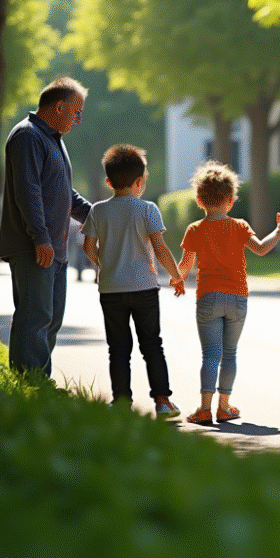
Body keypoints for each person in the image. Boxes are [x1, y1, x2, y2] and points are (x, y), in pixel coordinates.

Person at [176, 161, 280, 425]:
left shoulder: (195, 229)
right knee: (229, 354)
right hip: (237, 297)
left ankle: (204, 408)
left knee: (210, 355)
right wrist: (279, 231)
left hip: (208, 298)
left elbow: (185, 264)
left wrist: (178, 280)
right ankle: (224, 406)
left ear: (198, 199)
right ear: (230, 201)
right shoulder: (239, 226)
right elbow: (261, 248)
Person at [82, 145, 186, 419]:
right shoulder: (147, 209)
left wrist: (104, 264)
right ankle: (163, 401)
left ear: (108, 182)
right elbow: (160, 248)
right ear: (140, 182)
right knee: (152, 344)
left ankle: (121, 402)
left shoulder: (98, 210)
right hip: (144, 288)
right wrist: (176, 276)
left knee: (118, 348)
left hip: (111, 289)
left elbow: (88, 246)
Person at [0, 76, 92, 376]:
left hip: (54, 249)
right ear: (59, 107)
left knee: (50, 320)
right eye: (77, 112)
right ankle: (28, 383)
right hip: (34, 247)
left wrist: (101, 217)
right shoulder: (27, 136)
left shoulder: (53, 141)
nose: (79, 119)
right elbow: (28, 191)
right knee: (34, 317)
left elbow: (66, 194)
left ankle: (38, 381)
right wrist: (40, 237)